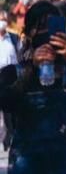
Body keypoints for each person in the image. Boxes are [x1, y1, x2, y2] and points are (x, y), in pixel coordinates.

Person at [0, 1, 66, 173]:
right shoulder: (13, 72)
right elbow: (7, 102)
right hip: (27, 162)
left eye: (52, 27)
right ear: (30, 33)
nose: (47, 34)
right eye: (41, 26)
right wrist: (32, 68)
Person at [0, 10, 21, 151]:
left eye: (4, 19)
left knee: (9, 112)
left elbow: (20, 56)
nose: (2, 21)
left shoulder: (14, 37)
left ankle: (9, 138)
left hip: (10, 78)